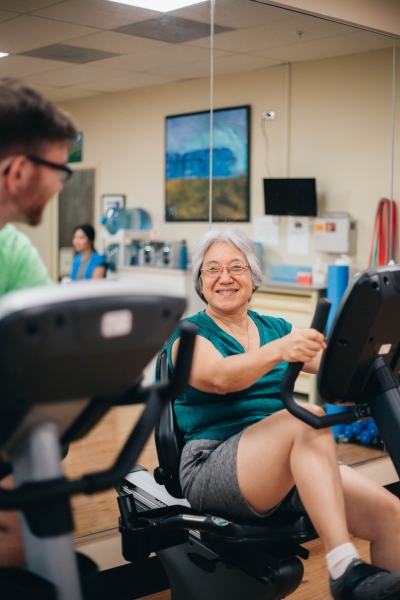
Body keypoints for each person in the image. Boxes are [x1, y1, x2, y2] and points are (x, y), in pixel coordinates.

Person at [168, 228, 400, 600]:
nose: (224, 277)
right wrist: (281, 350)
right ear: (200, 281)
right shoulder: (189, 334)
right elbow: (221, 378)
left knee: (392, 516)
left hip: (292, 461)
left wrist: (380, 357)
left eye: (236, 267)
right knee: (304, 417)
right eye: (211, 269)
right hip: (213, 464)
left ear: (254, 276)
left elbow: (339, 370)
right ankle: (343, 566)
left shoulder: (274, 328)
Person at [0, 77, 77, 567]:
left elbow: (58, 339)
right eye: (60, 169)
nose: (60, 184)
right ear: (22, 170)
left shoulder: (13, 248)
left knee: (21, 533)